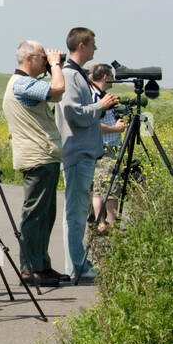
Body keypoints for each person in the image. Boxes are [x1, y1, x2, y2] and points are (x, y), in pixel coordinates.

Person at [1, 40, 67, 287]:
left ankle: (42, 265)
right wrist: (56, 65)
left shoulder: (25, 84)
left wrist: (52, 65)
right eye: (43, 57)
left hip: (43, 155)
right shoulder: (22, 84)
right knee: (35, 215)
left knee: (45, 214)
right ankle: (29, 270)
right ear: (29, 59)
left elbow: (56, 93)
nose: (46, 60)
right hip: (37, 156)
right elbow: (58, 89)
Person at [55, 27, 119, 281]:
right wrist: (100, 106)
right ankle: (77, 267)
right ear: (81, 45)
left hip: (82, 151)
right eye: (93, 44)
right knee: (75, 213)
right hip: (77, 151)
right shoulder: (70, 76)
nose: (95, 49)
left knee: (79, 211)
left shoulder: (77, 75)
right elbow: (73, 113)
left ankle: (78, 263)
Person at [86, 63, 126, 234]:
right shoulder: (95, 98)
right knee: (108, 187)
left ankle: (101, 222)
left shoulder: (99, 95)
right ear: (105, 77)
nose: (113, 80)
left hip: (102, 147)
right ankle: (106, 223)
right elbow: (92, 124)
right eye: (111, 76)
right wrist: (116, 129)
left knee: (100, 186)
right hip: (105, 147)